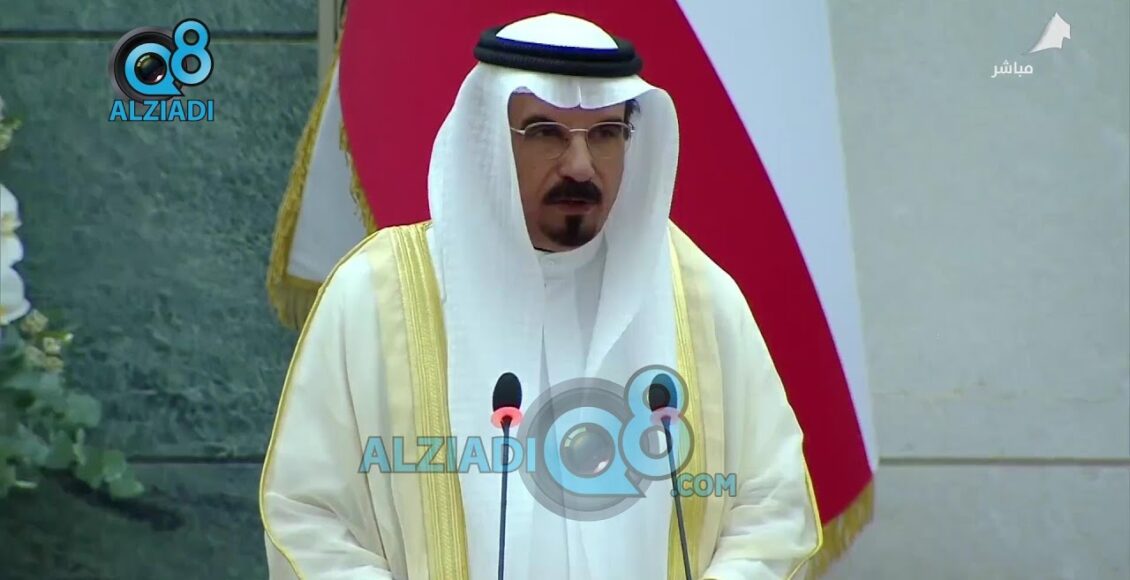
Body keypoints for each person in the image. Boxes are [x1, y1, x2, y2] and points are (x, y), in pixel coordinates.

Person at [259, 12, 821, 580]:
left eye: (605, 134)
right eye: (546, 132)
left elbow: (773, 509)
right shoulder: (378, 297)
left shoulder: (698, 298)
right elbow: (309, 517)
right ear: (488, 138)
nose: (580, 165)